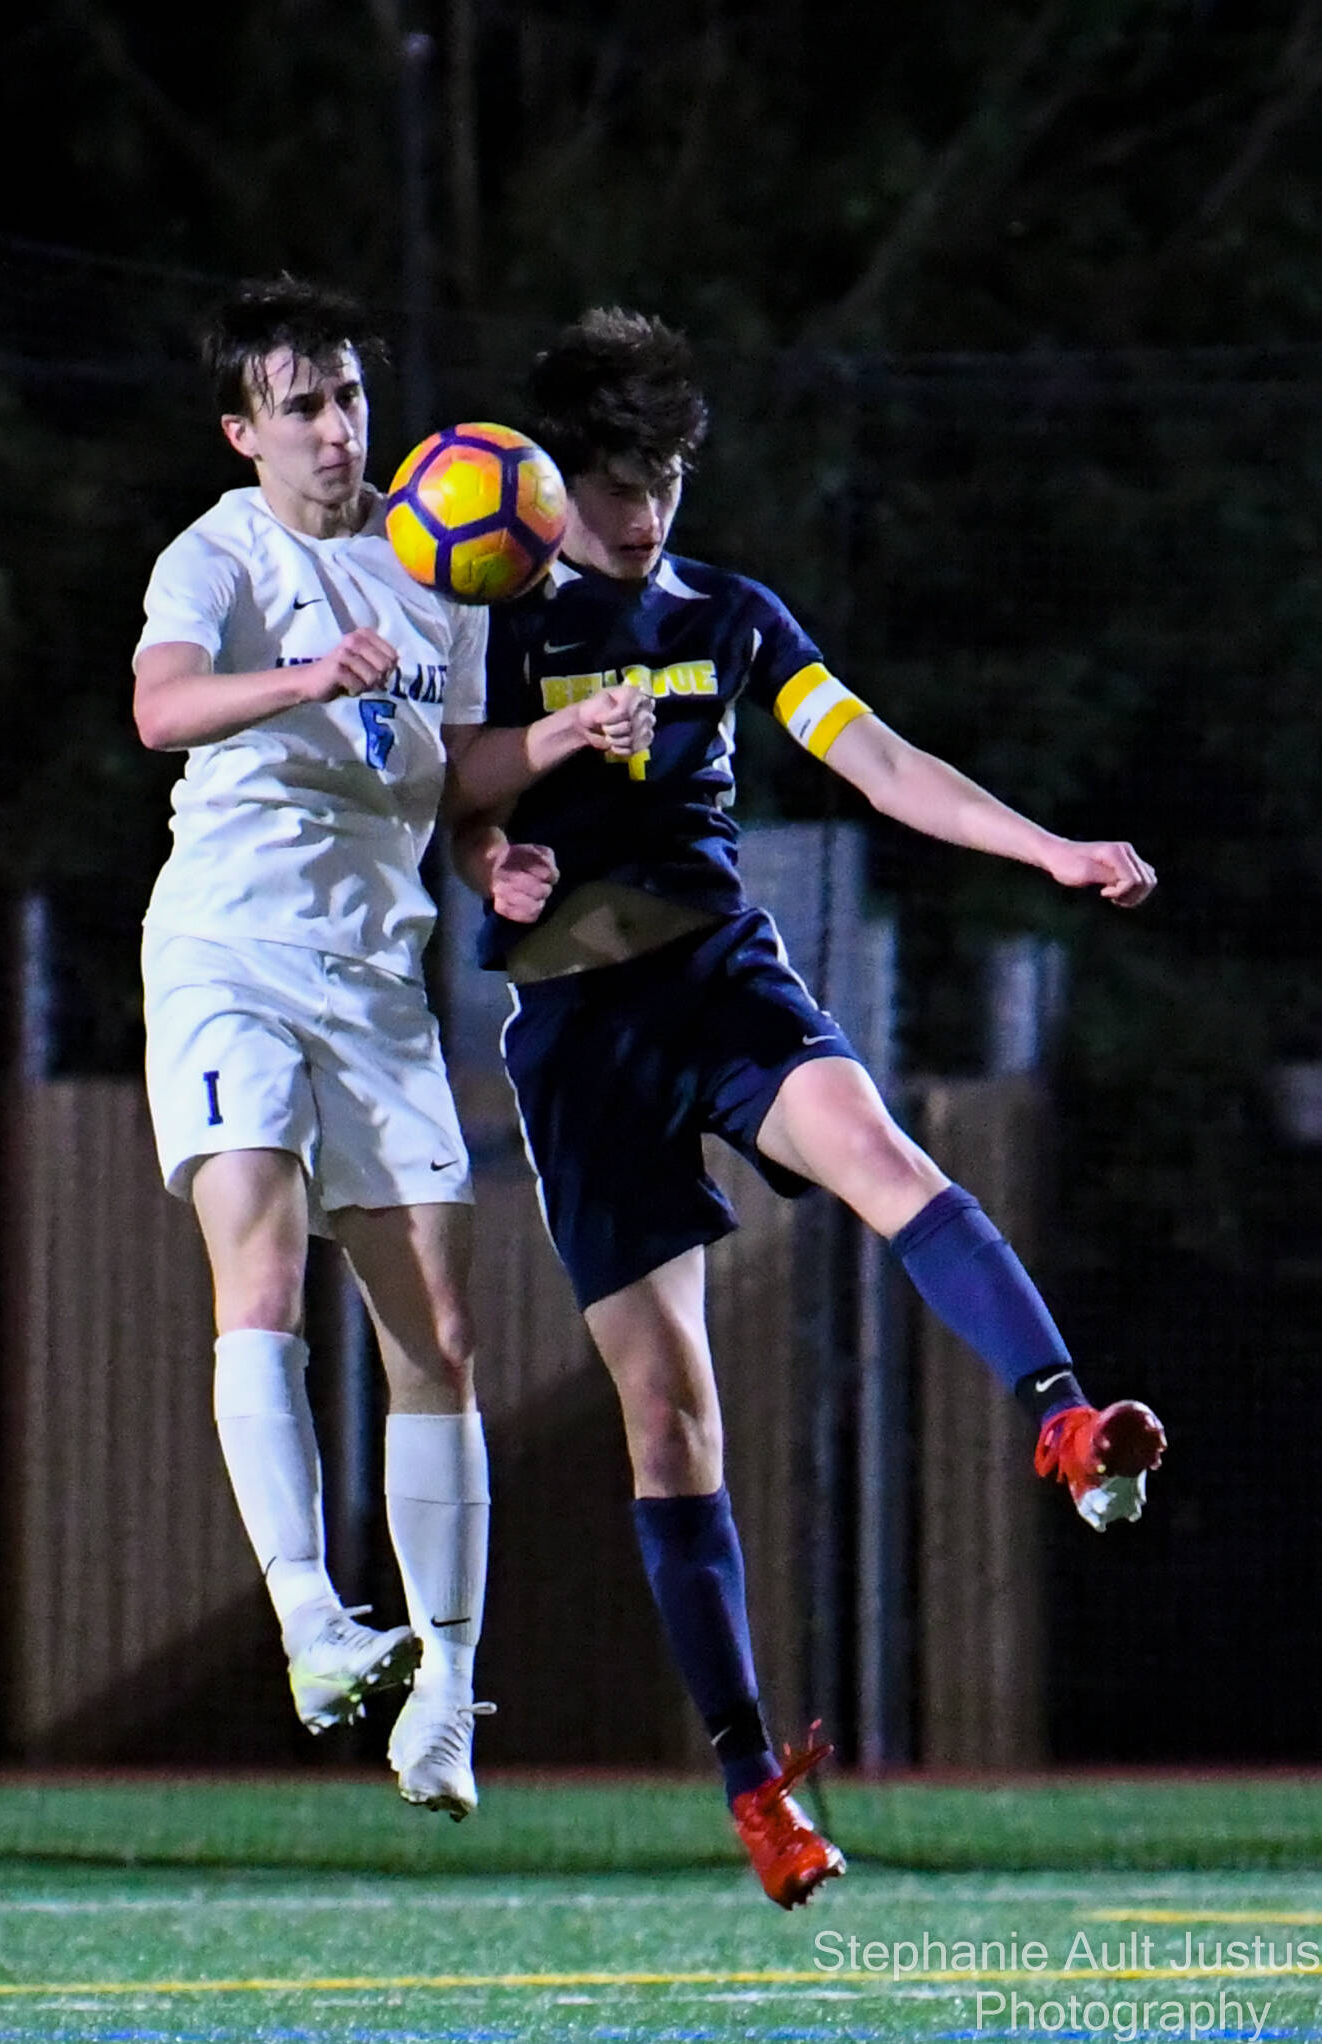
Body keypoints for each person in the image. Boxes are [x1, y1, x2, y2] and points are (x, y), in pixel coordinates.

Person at [448, 307, 1167, 1904]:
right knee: (671, 1415)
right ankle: (756, 1785)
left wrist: (1048, 847)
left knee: (884, 1156)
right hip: (580, 1034)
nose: (651, 514)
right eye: (622, 483)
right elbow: (443, 790)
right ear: (549, 485)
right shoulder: (490, 621)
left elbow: (881, 759)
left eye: (669, 478)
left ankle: (1061, 1419)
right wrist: (492, 854)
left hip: (721, 981)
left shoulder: (730, 613)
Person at [131, 277, 649, 1816]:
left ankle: (442, 1690)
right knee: (266, 1271)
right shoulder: (216, 554)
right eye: (302, 406)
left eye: (349, 396)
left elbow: (448, 776)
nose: (339, 429)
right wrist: (301, 676)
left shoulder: (440, 563)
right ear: (244, 432)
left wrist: (511, 828)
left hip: (380, 981)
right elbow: (159, 709)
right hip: (230, 950)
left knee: (440, 1329)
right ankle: (305, 1619)